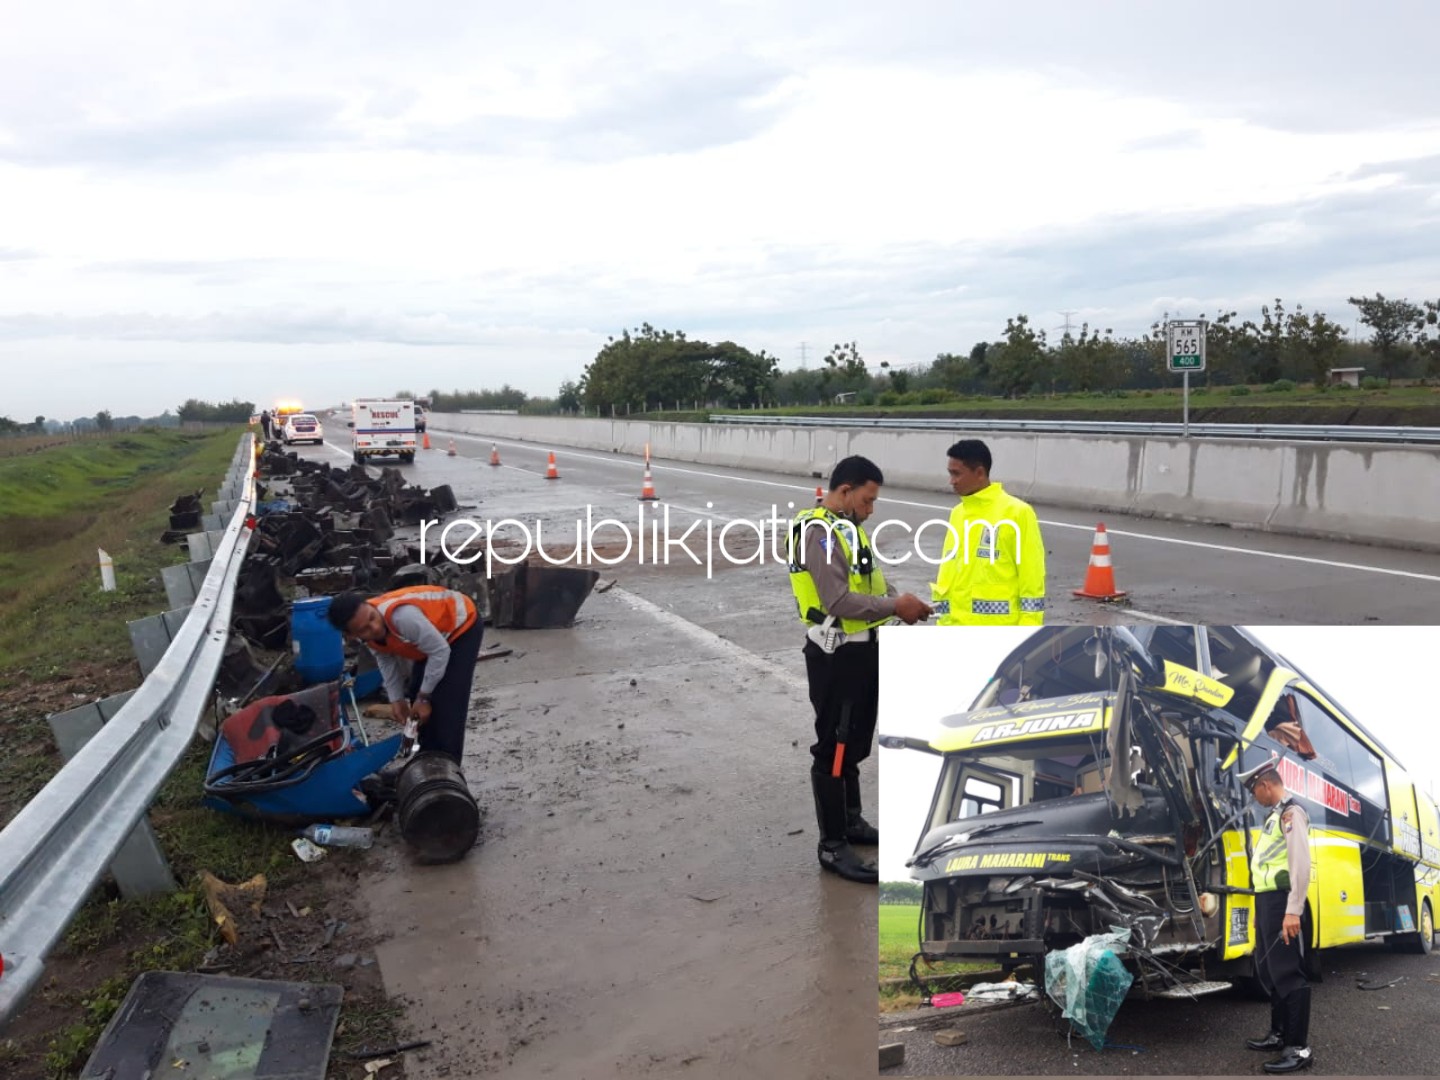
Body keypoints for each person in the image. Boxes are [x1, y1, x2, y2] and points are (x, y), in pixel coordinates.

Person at [788, 455, 932, 883]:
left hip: (862, 650)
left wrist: (904, 604)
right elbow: (836, 600)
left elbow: (871, 586)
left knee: (853, 742)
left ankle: (851, 822)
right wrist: (894, 605)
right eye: (868, 501)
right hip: (836, 655)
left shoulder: (847, 532)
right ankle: (832, 845)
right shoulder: (821, 534)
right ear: (845, 491)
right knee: (833, 746)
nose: (870, 510)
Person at [327, 585, 483, 763]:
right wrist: (397, 700)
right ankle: (428, 756)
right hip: (432, 639)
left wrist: (423, 698)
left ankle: (447, 766)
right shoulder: (367, 632)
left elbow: (440, 651)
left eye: (372, 618)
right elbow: (386, 661)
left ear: (369, 605)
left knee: (447, 702)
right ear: (350, 635)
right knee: (416, 690)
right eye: (365, 629)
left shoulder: (401, 616)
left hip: (460, 627)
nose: (375, 628)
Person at [1240, 753, 1314, 1074]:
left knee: (1287, 972)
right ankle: (1279, 1034)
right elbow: (1264, 866)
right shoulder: (1274, 816)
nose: (1253, 797)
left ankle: (1298, 1048)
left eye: (1254, 790)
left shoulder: (1291, 814)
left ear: (1266, 785)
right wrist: (1259, 908)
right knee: (1270, 971)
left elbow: (1300, 863)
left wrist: (1293, 910)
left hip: (1283, 902)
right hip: (1267, 904)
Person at [931, 439, 1046, 626]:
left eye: (956, 474)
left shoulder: (1017, 513)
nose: (951, 481)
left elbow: (1032, 581)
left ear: (979, 473)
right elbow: (947, 578)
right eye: (950, 474)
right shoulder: (957, 514)